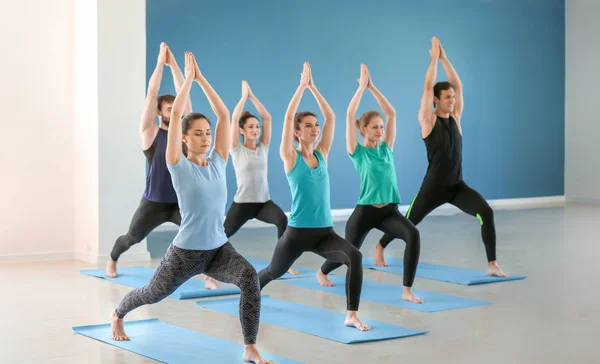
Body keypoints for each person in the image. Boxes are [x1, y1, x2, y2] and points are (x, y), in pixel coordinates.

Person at [111, 52, 272, 364]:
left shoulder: (218, 161)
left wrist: (200, 79)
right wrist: (185, 82)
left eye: (207, 133)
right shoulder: (178, 166)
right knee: (151, 294)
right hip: (184, 254)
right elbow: (172, 129)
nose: (205, 138)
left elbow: (224, 116)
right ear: (183, 139)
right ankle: (118, 313)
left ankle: (250, 346)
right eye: (197, 133)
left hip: (218, 250)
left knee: (250, 277)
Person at [374, 37, 506, 278]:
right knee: (409, 222)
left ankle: (492, 264)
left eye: (453, 97)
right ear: (436, 99)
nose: (452, 100)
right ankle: (380, 246)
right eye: (447, 97)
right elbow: (427, 87)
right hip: (432, 188)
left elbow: (459, 85)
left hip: (457, 186)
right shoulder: (428, 121)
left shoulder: (455, 118)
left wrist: (445, 58)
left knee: (486, 212)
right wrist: (433, 60)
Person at [257, 62, 370, 331]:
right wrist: (300, 89)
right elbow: (287, 118)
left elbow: (331, 117)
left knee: (354, 256)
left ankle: (351, 314)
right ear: (297, 132)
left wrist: (313, 87)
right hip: (296, 233)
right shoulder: (290, 157)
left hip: (323, 232)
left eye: (315, 126)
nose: (315, 129)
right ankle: (249, 292)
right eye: (308, 126)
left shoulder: (322, 155)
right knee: (274, 271)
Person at [318, 64, 423, 303]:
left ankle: (407, 290)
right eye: (375, 127)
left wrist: (372, 87)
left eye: (381, 127)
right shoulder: (357, 152)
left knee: (413, 234)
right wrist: (360, 89)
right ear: (363, 129)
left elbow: (392, 113)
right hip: (365, 212)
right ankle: (322, 270)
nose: (380, 130)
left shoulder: (387, 149)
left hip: (389, 211)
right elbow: (348, 115)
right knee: (346, 253)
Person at [105, 42, 192, 278]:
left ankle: (208, 275)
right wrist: (159, 64)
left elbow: (185, 94)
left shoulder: (183, 134)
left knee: (200, 234)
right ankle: (112, 260)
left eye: (177, 108)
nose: (174, 112)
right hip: (153, 202)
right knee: (132, 237)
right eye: (168, 109)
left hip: (179, 201)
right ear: (159, 112)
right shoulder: (150, 133)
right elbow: (151, 94)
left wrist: (174, 64)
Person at [205, 81, 300, 288]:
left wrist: (252, 96)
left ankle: (283, 263)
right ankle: (210, 275)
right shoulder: (236, 149)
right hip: (242, 204)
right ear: (241, 130)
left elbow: (267, 117)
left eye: (257, 127)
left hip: (263, 203)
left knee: (282, 220)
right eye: (251, 127)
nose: (256, 130)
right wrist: (242, 99)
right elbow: (231, 120)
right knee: (221, 236)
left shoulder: (263, 147)